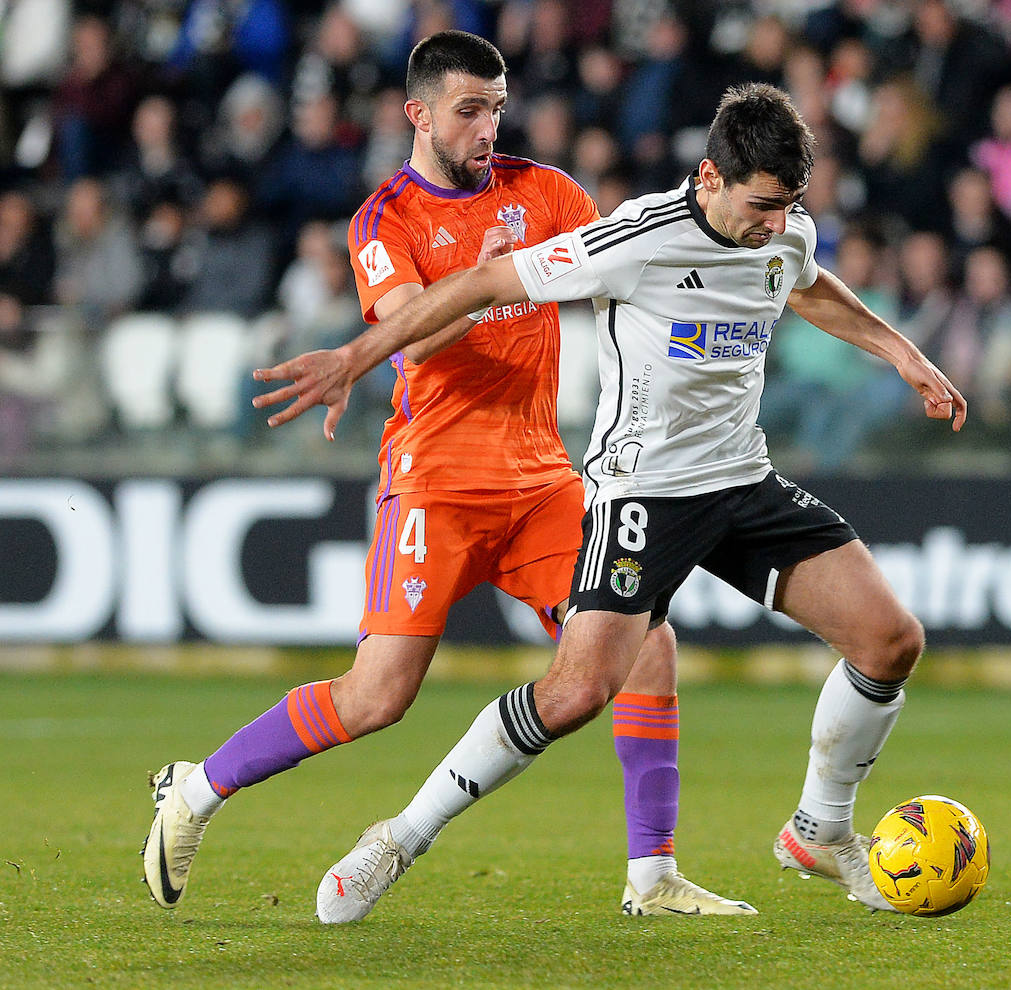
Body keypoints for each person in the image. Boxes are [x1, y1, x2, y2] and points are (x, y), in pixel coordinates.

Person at [252, 82, 967, 922]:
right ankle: (398, 838)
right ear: (710, 178)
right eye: (764, 205)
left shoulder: (786, 231)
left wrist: (902, 354)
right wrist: (359, 355)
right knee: (576, 693)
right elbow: (488, 282)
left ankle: (818, 829)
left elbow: (804, 281)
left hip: (740, 479)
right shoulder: (634, 238)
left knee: (890, 641)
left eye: (791, 205)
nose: (779, 223)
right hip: (645, 495)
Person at [142, 31, 752, 921]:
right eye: (470, 110)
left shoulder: (545, 193)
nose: (487, 127)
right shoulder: (385, 220)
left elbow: (629, 259)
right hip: (436, 478)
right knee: (377, 697)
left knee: (647, 644)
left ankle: (652, 877)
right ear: (417, 114)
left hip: (544, 478)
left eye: (497, 108)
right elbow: (411, 333)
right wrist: (503, 278)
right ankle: (196, 790)